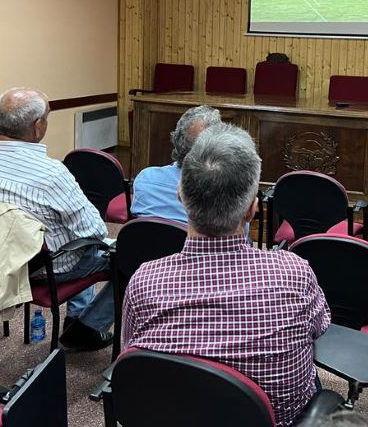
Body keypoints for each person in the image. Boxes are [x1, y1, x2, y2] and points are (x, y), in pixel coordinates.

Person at [122, 123, 330, 426]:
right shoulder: (294, 273)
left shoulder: (144, 281)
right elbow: (321, 327)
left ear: (181, 197)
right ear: (252, 210)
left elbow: (131, 354)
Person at [0, 87, 112, 351]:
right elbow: (94, 230)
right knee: (122, 256)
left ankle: (77, 318)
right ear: (37, 126)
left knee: (80, 240)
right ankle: (84, 329)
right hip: (46, 269)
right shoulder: (51, 173)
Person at [130, 105, 221, 222]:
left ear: (176, 140)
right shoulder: (225, 195)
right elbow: (241, 234)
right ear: (218, 148)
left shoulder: (145, 179)